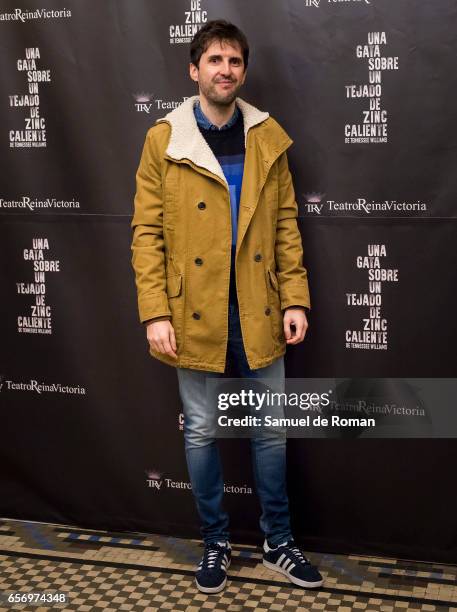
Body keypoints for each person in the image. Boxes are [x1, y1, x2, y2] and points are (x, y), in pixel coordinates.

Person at [131, 19, 323, 594]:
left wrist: (295, 297)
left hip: (260, 309)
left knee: (270, 432)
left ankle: (278, 542)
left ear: (244, 70)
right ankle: (214, 543)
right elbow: (146, 233)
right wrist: (155, 311)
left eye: (234, 61)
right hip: (196, 313)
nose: (225, 70)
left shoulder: (268, 136)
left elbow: (286, 223)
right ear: (194, 70)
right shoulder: (163, 140)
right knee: (200, 434)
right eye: (214, 60)